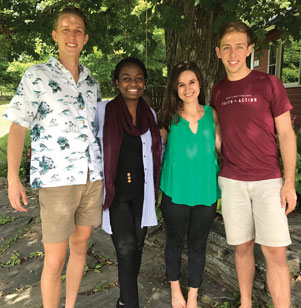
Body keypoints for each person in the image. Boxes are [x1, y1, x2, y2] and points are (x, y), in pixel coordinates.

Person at [4, 7, 103, 308]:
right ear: (55, 35)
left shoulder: (92, 83)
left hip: (91, 177)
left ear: (85, 38)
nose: (71, 35)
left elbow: (96, 129)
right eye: (65, 28)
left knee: (81, 246)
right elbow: (18, 126)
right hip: (57, 180)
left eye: (77, 30)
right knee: (54, 259)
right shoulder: (37, 76)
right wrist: (12, 177)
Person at [211, 21, 297, 308]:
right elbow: (218, 133)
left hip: (268, 181)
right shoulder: (218, 90)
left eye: (239, 46)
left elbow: (286, 134)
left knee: (275, 253)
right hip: (233, 180)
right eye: (227, 47)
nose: (233, 52)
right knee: (242, 247)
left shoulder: (268, 83)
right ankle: (245, 303)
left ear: (249, 49)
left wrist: (288, 182)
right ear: (218, 52)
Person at [95, 57, 162, 308]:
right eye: (126, 78)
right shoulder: (103, 111)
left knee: (138, 247)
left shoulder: (150, 115)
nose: (133, 83)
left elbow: (157, 150)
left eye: (138, 78)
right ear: (117, 82)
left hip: (143, 192)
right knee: (125, 249)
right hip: (117, 192)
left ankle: (124, 300)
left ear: (144, 83)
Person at [158, 61, 221, 308]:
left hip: (206, 192)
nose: (187, 89)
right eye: (181, 84)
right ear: (175, 88)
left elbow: (222, 149)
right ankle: (175, 290)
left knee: (198, 244)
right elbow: (156, 153)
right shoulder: (167, 117)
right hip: (175, 192)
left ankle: (193, 295)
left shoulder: (212, 114)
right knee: (173, 242)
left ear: (200, 84)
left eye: (192, 82)